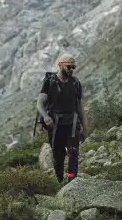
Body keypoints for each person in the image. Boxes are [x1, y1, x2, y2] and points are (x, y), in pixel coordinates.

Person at [37, 53, 88, 185]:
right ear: (60, 65)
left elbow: (80, 106)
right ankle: (59, 179)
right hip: (55, 124)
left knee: (73, 152)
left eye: (73, 67)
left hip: (72, 123)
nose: (71, 69)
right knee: (58, 155)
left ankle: (72, 180)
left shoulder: (76, 83)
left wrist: (85, 129)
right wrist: (46, 116)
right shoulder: (50, 81)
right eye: (69, 66)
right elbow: (40, 103)